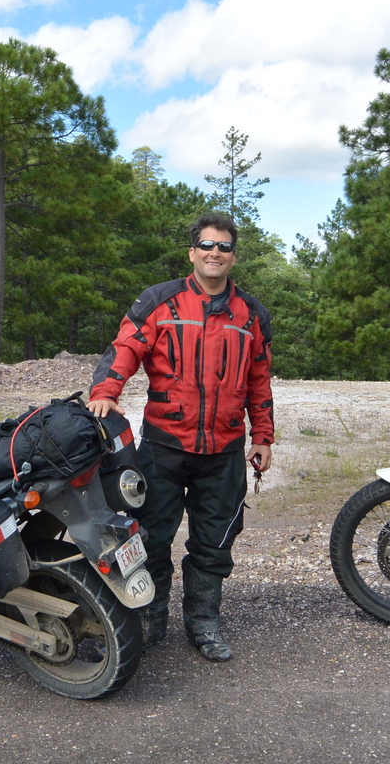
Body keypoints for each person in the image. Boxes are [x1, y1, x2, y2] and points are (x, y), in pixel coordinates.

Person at [88, 213, 274, 662]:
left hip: (223, 452)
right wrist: (105, 393)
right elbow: (125, 348)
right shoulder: (160, 301)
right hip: (164, 447)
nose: (215, 253)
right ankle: (150, 622)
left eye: (224, 246)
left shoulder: (251, 315)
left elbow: (259, 380)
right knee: (150, 539)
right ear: (192, 253)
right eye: (207, 245)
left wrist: (263, 436)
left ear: (233, 257)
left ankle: (204, 624)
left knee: (214, 543)